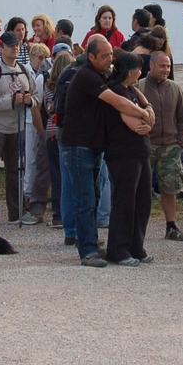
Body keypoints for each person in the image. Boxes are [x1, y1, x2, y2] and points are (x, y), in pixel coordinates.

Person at [62, 35, 152, 267]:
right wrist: (144, 114)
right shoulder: (87, 76)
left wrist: (147, 105)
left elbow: (130, 87)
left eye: (111, 54)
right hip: (78, 146)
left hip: (94, 146)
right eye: (104, 56)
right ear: (91, 56)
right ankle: (88, 251)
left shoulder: (102, 74)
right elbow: (118, 101)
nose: (110, 59)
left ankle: (92, 244)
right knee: (85, 201)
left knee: (94, 197)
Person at [0, 31, 39, 226]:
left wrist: (29, 100)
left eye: (17, 45)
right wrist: (10, 102)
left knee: (16, 171)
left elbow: (36, 95)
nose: (15, 48)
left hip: (16, 128)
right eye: (10, 45)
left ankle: (16, 213)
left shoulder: (24, 70)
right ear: (1, 48)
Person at [103, 52, 154, 266]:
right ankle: (119, 249)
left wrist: (147, 109)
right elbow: (133, 123)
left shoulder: (131, 89)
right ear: (131, 72)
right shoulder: (115, 91)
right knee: (125, 201)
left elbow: (146, 107)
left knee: (143, 201)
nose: (141, 73)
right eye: (139, 69)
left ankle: (136, 246)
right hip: (123, 153)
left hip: (140, 152)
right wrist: (146, 118)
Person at [138, 51, 183, 242]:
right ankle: (137, 228)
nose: (166, 70)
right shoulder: (139, 87)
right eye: (162, 66)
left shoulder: (175, 89)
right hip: (146, 147)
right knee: (140, 189)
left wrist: (180, 143)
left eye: (168, 66)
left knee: (170, 189)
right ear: (151, 66)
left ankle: (171, 227)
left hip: (170, 148)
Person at [42, 52, 73, 229]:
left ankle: (58, 214)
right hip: (65, 130)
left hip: (51, 130)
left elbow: (48, 109)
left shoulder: (49, 85)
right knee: (68, 175)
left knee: (55, 173)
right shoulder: (72, 83)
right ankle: (67, 213)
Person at [23, 42, 53, 225]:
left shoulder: (46, 75)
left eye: (46, 57)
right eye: (40, 57)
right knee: (31, 159)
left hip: (44, 125)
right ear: (32, 57)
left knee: (40, 162)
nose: (43, 61)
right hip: (31, 121)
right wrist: (42, 132)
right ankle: (28, 196)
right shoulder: (30, 73)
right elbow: (35, 105)